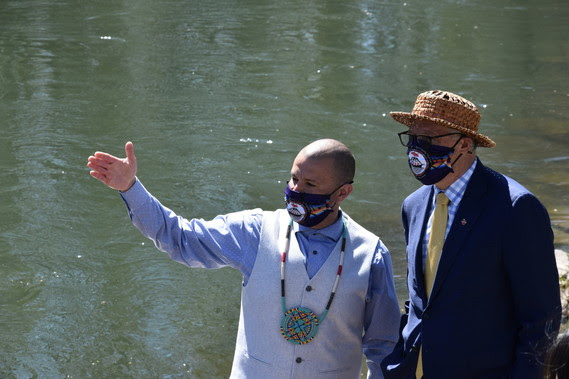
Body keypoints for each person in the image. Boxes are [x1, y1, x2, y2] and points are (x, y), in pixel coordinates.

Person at [87, 138, 400, 378]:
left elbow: (382, 347)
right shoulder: (255, 231)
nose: (295, 190)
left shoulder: (371, 255)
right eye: (293, 179)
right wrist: (129, 187)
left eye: (310, 185)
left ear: (342, 193)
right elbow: (179, 238)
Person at [380, 90, 561, 378]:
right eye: (413, 139)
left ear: (464, 144)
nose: (416, 149)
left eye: (428, 141)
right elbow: (420, 298)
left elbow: (542, 319)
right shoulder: (413, 205)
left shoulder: (515, 209)